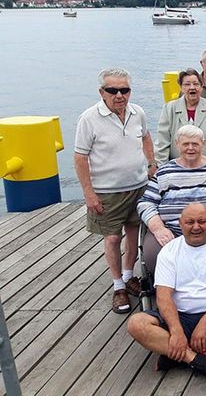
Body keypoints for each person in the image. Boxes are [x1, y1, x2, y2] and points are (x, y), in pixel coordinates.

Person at [126, 203, 206, 381]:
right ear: (180, 223)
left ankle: (174, 352)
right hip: (179, 315)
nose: (196, 227)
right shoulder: (169, 252)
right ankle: (195, 357)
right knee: (136, 323)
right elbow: (163, 297)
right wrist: (176, 330)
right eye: (190, 222)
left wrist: (204, 323)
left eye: (202, 221)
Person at [74, 67, 156, 314]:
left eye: (125, 90)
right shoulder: (89, 118)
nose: (119, 95)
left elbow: (146, 137)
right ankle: (118, 285)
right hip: (106, 191)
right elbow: (80, 157)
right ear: (102, 92)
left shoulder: (137, 112)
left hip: (137, 185)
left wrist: (151, 164)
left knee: (133, 234)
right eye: (113, 90)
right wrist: (89, 193)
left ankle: (129, 275)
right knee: (111, 238)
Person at [138, 124, 206, 267]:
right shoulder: (164, 172)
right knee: (154, 255)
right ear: (177, 144)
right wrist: (158, 228)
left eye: (195, 144)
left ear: (203, 144)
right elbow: (146, 203)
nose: (190, 148)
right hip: (173, 231)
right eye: (186, 144)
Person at [155, 69, 206, 169]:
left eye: (196, 84)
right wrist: (162, 166)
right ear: (181, 87)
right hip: (178, 169)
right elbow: (163, 140)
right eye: (187, 84)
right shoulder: (169, 108)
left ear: (201, 87)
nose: (192, 87)